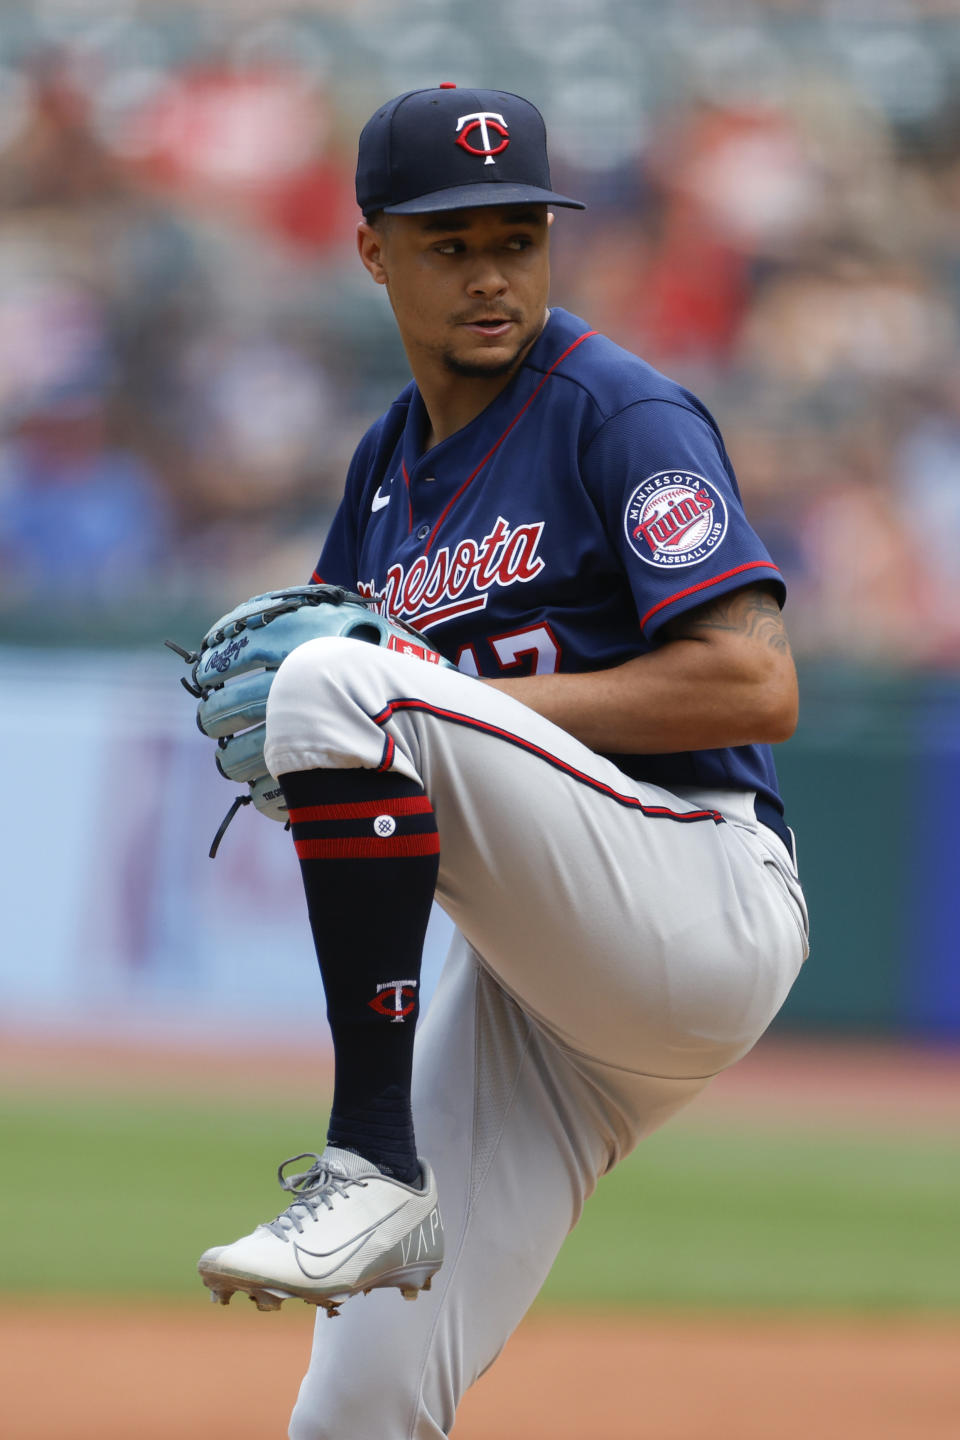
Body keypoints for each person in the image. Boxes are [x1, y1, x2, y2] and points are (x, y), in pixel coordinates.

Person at [199, 85, 810, 1440]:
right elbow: (339, 727)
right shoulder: (381, 469)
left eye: (517, 238)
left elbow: (758, 681)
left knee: (353, 682)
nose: (491, 274)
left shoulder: (616, 411)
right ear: (373, 252)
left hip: (695, 892)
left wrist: (413, 699)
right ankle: (381, 1176)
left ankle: (369, 1160)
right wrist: (330, 737)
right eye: (450, 242)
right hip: (543, 1002)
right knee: (354, 1410)